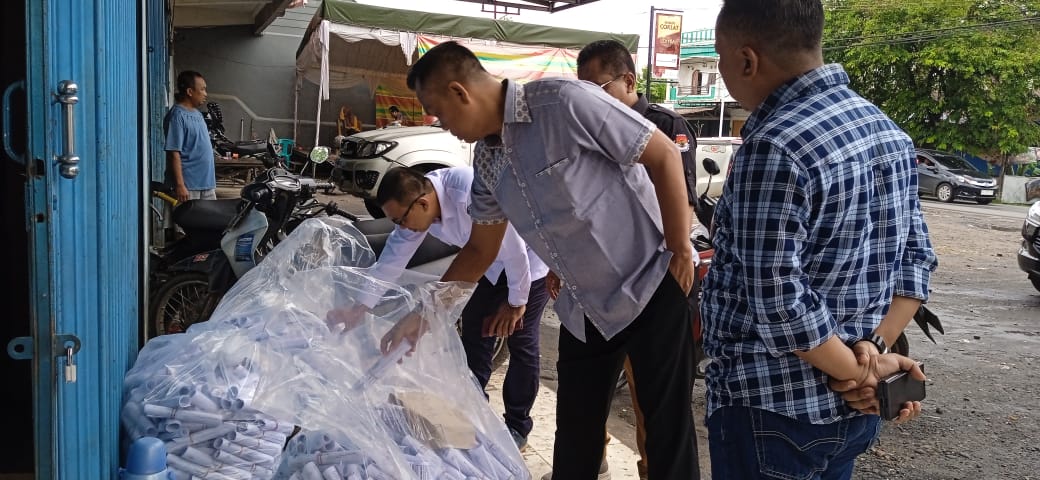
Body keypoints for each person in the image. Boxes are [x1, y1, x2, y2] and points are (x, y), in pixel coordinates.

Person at [381, 40, 699, 480]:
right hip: (583, 306)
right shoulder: (488, 160)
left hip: (647, 284)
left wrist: (681, 248)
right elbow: (480, 249)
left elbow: (661, 153)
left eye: (439, 110)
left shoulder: (563, 103)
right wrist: (424, 314)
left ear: (460, 92)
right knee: (575, 437)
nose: (442, 125)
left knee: (666, 433)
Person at [701, 1, 938, 479]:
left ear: (747, 60)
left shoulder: (774, 145)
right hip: (854, 409)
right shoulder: (886, 130)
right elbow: (915, 262)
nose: (724, 72)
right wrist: (873, 351)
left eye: (721, 60)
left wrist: (859, 372)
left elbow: (780, 303)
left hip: (771, 411)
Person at [329, 165, 550, 451]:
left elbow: (515, 250)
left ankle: (517, 426)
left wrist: (516, 302)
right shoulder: (417, 208)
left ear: (422, 203)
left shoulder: (470, 192)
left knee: (521, 342)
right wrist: (359, 308)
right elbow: (391, 262)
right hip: (485, 265)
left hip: (530, 264)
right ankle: (474, 413)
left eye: (401, 220)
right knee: (475, 336)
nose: (401, 227)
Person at [567, 38, 703, 480]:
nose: (589, 100)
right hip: (599, 278)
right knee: (587, 399)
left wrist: (679, 256)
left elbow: (677, 197)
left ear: (629, 80)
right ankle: (597, 457)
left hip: (657, 273)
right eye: (581, 91)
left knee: (657, 402)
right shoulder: (585, 129)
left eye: (598, 88)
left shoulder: (663, 124)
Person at [164, 70, 216, 203]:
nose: (205, 93)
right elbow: (173, 152)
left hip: (206, 183)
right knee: (187, 223)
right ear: (190, 92)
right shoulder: (177, 116)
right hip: (188, 187)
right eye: (202, 89)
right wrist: (180, 185)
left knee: (209, 223)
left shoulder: (197, 114)